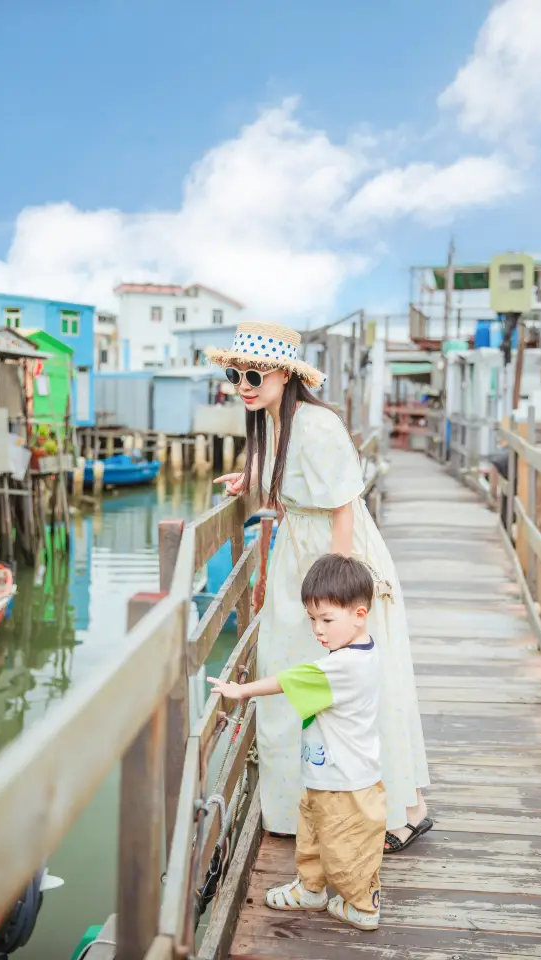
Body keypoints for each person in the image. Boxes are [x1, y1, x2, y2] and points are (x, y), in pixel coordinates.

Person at [207, 321, 431, 853]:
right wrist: (253, 479)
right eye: (236, 374)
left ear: (284, 375)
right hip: (298, 554)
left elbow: (342, 508)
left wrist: (338, 587)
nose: (244, 383)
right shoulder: (274, 422)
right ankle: (298, 807)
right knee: (294, 671)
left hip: (333, 556)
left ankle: (404, 810)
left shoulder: (315, 424)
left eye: (254, 373)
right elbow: (296, 484)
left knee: (359, 680)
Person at [208, 554, 385, 931]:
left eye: (326, 620)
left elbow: (286, 681)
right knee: (314, 831)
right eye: (312, 620)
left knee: (345, 845)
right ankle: (311, 888)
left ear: (359, 614)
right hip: (331, 775)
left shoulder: (341, 667)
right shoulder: (362, 650)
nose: (317, 630)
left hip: (346, 782)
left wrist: (241, 690)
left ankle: (362, 906)